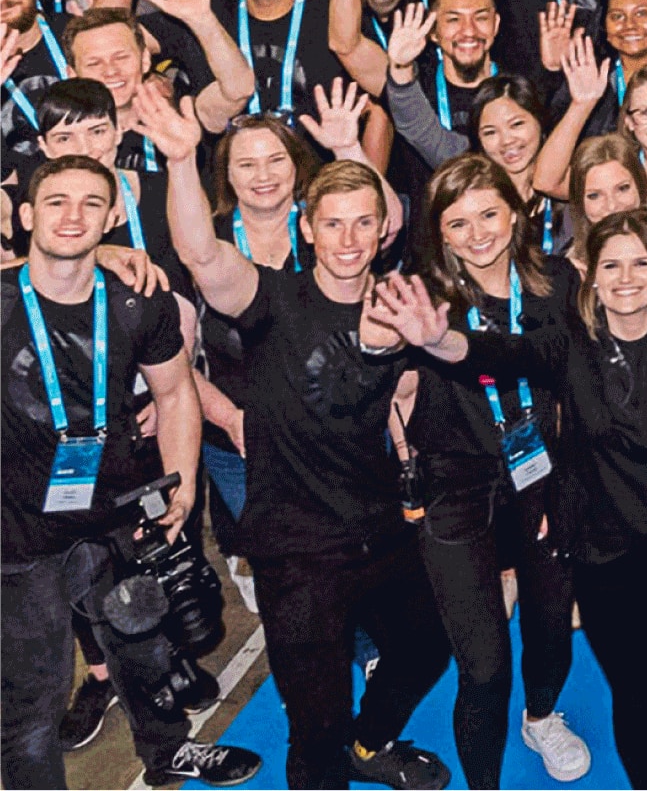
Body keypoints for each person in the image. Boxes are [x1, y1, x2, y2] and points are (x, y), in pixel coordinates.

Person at [379, 205, 647, 791]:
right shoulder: (568, 342)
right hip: (608, 547)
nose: (626, 278)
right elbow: (498, 353)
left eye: (641, 263)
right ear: (592, 276)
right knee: (636, 691)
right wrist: (440, 341)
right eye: (611, 265)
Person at [149, 90, 456, 791]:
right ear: (308, 229)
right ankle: (334, 756)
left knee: (425, 647)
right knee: (315, 728)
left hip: (381, 530)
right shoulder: (270, 299)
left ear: (382, 230)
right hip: (296, 552)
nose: (348, 239)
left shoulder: (402, 307)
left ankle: (369, 745)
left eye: (363, 223)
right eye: (333, 224)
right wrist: (181, 159)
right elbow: (200, 252)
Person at [0, 155, 261, 791]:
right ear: (26, 215)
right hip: (17, 532)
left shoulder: (136, 303)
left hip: (116, 512)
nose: (73, 216)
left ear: (113, 215)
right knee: (33, 696)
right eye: (56, 202)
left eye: (91, 203)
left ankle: (169, 753)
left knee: (145, 649)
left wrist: (183, 484)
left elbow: (175, 394)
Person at [408, 155, 591, 786]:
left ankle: (541, 717)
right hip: (457, 490)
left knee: (551, 628)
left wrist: (571, 487)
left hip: (544, 478)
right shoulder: (424, 302)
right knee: (484, 668)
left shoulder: (558, 284)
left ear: (516, 215)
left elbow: (576, 388)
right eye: (458, 223)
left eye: (489, 214)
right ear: (440, 234)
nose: (478, 234)